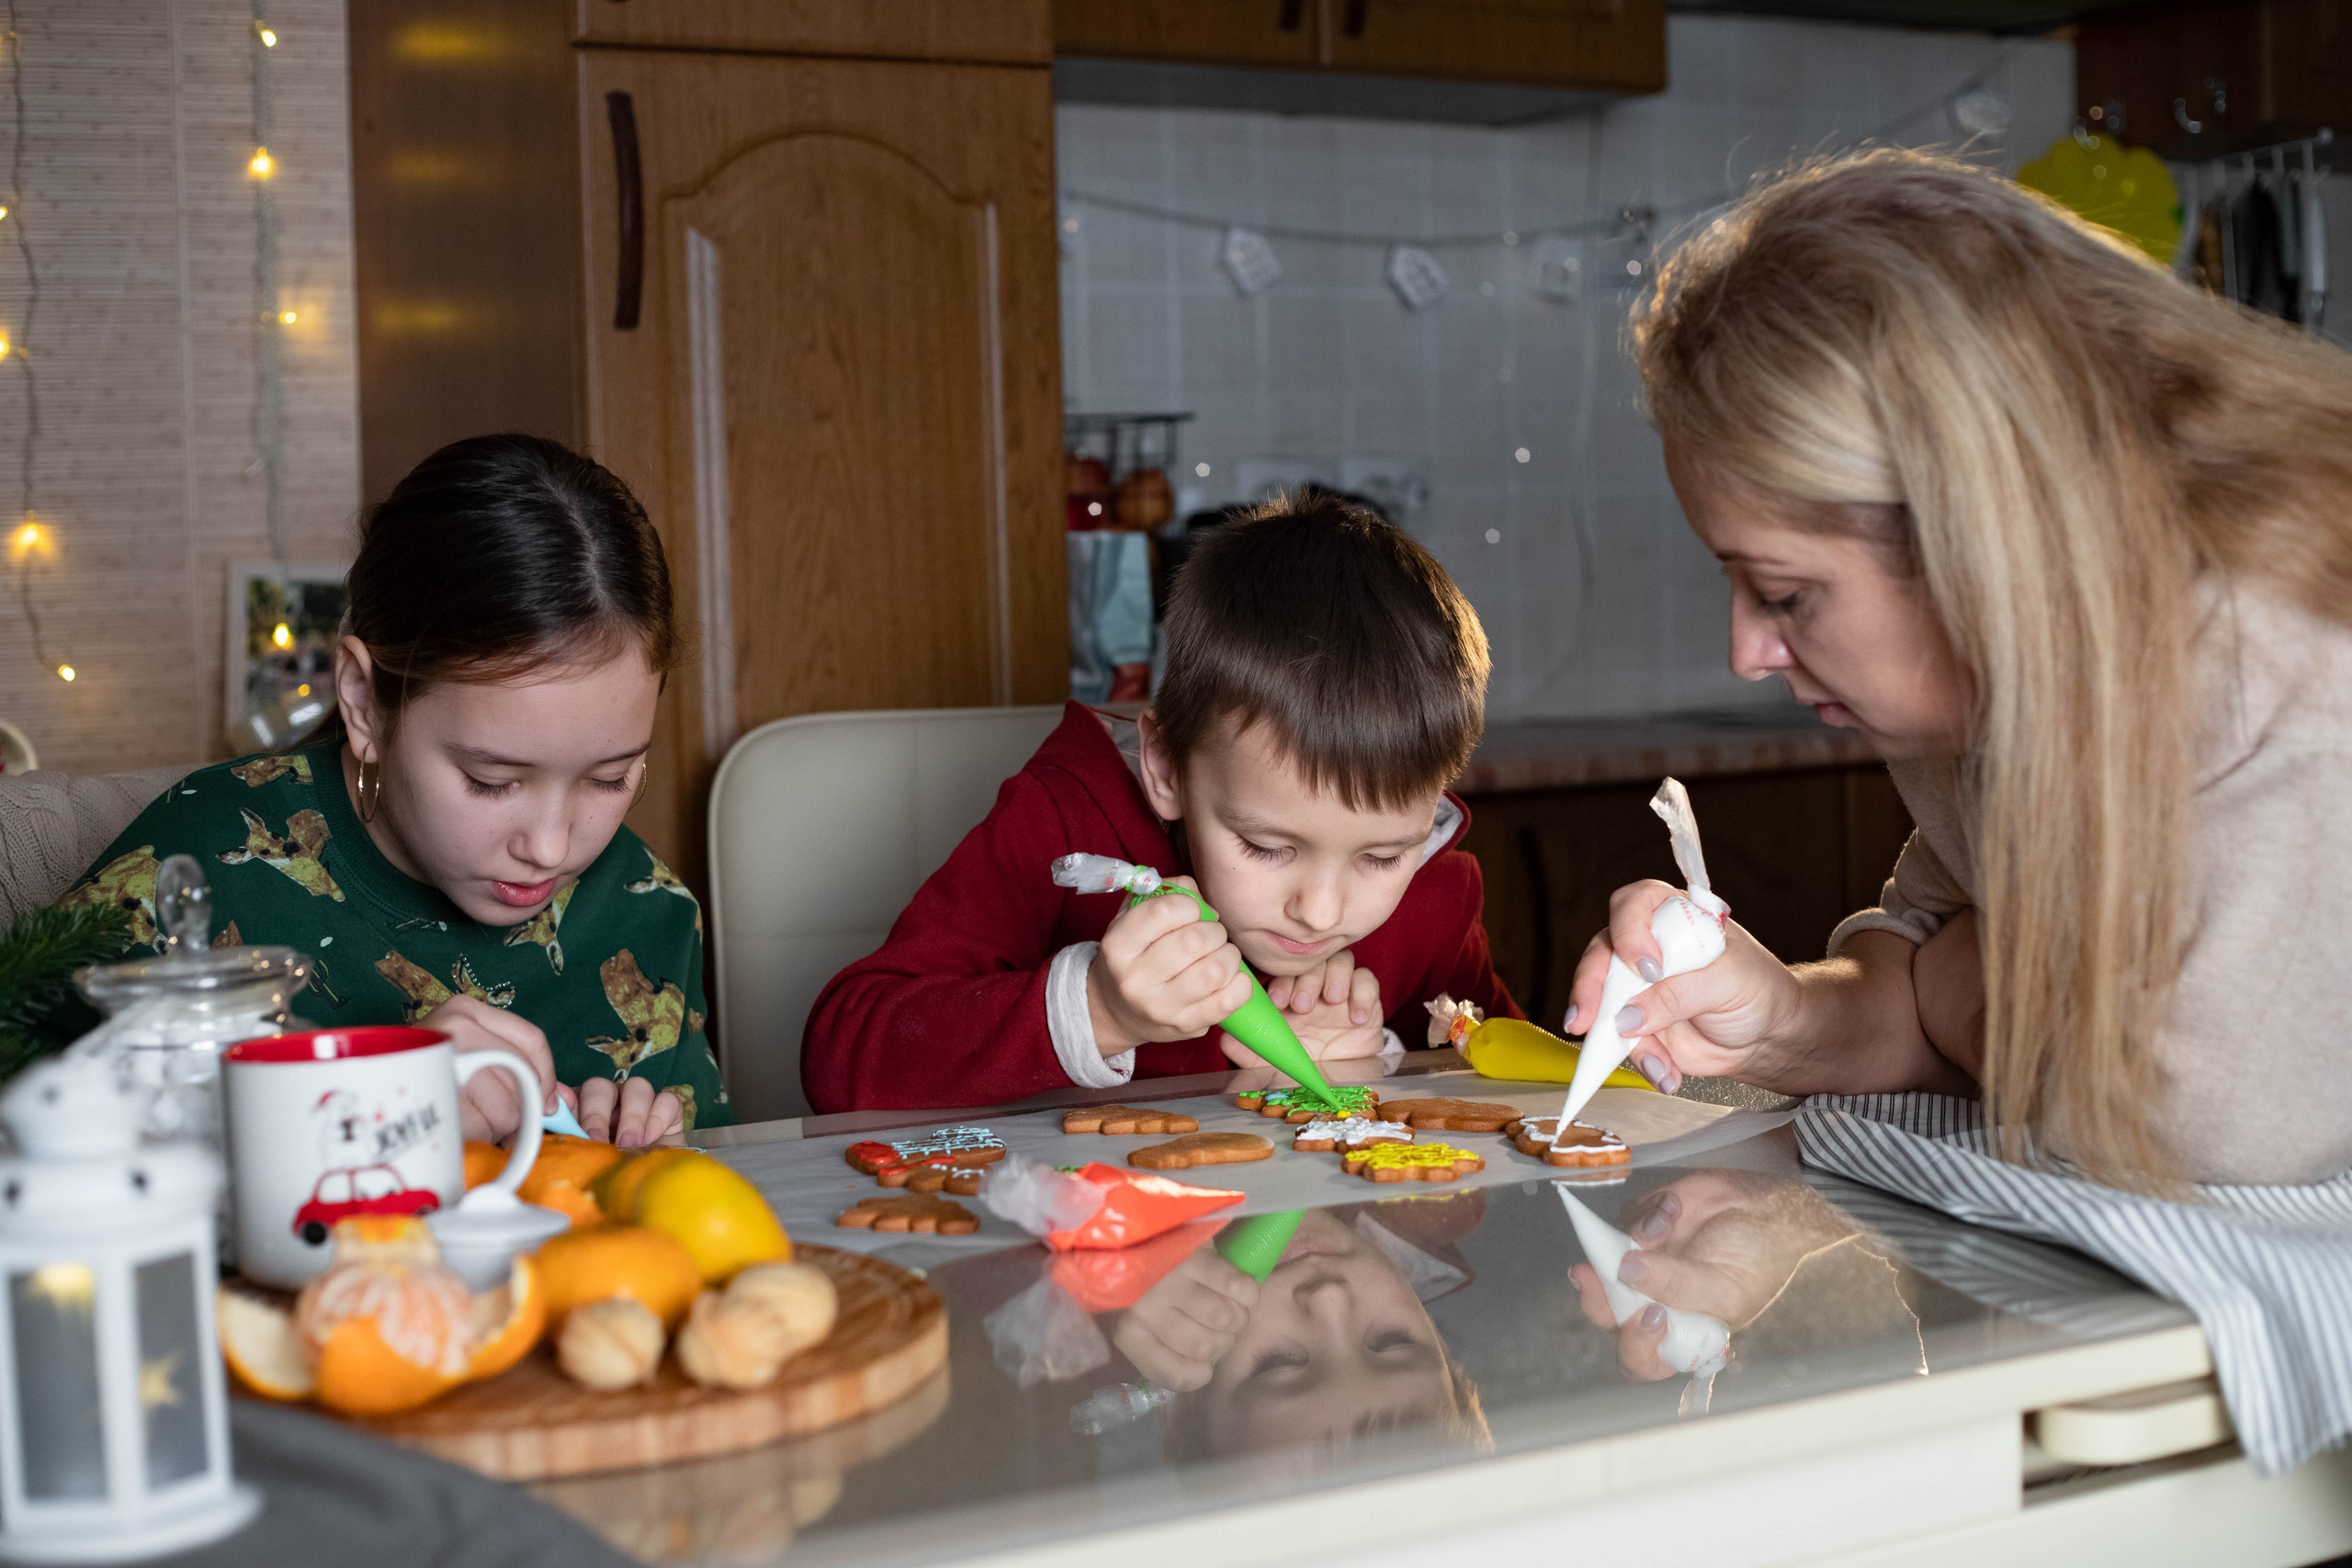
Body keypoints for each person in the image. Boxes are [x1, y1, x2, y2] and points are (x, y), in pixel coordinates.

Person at [1568, 148, 2352, 1189]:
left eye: (1785, 594)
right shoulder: (1983, 689)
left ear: (1975, 541)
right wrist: (1784, 1016)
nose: (1747, 654)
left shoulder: (2282, 676)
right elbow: (1912, 980)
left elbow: (2197, 1132)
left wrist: (1963, 979)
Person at [58, 434, 729, 1147]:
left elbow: (728, 1181)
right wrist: (373, 1100)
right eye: (491, 780)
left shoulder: (650, 910)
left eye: (609, 777)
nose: (550, 847)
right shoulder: (194, 865)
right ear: (363, 700)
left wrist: (649, 1156)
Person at [804, 491, 1521, 1111]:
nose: (1322, 911)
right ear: (1167, 768)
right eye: (1267, 846)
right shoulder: (1059, 825)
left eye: (1382, 856)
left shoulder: (1436, 894)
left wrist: (1380, 1065)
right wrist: (1097, 1009)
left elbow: (1511, 1103)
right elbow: (838, 1061)